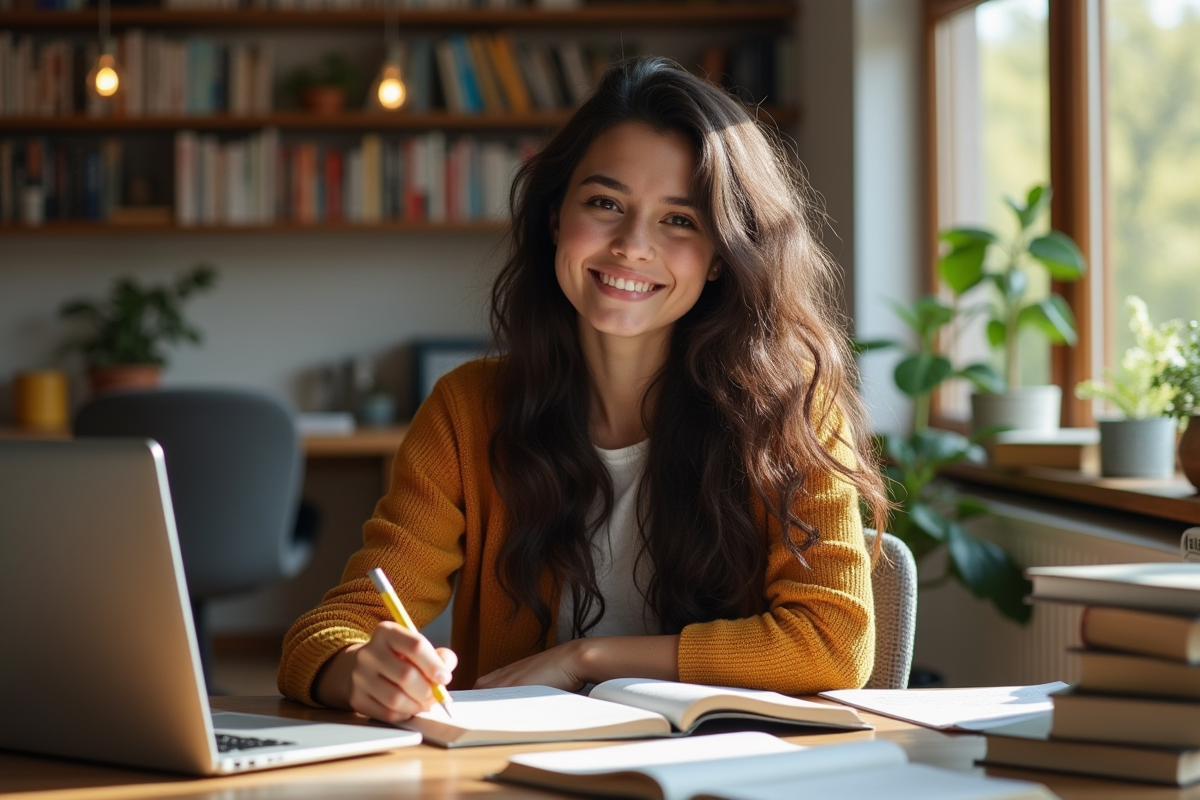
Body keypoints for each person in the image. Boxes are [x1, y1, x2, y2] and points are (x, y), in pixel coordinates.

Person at [278, 56, 891, 723]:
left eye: (679, 220)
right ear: (554, 219)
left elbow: (835, 643)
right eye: (605, 204)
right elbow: (330, 632)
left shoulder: (789, 412)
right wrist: (358, 669)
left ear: (721, 254)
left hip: (724, 775)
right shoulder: (468, 411)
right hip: (519, 771)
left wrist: (586, 659)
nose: (631, 245)